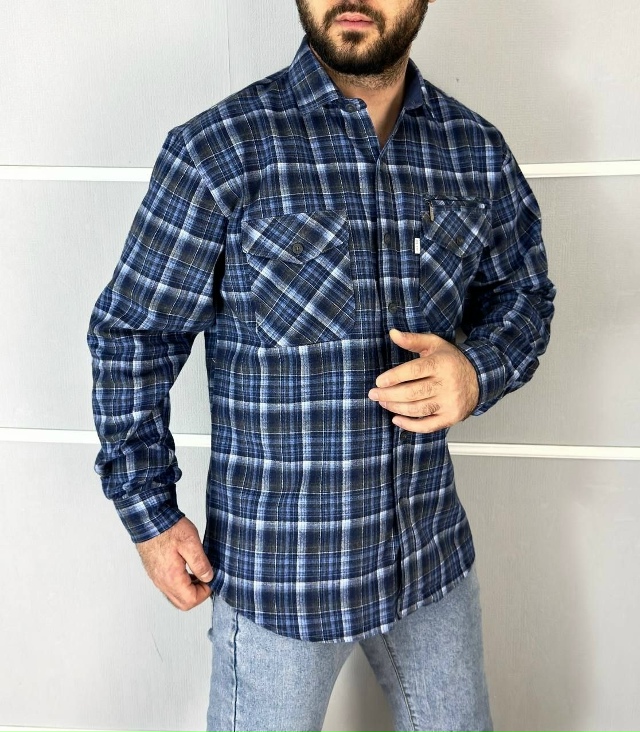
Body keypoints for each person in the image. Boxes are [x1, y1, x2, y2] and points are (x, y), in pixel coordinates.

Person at [87, 1, 555, 730]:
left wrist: (475, 372)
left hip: (428, 559)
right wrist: (150, 516)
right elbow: (133, 336)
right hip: (283, 579)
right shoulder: (220, 150)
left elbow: (523, 295)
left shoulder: (474, 151)